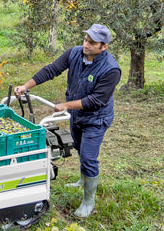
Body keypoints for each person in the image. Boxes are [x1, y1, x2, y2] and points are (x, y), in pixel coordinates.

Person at [13, 24, 121, 219]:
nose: (86, 45)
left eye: (91, 42)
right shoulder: (75, 53)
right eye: (85, 40)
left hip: (96, 119)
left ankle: (89, 201)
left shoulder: (111, 70)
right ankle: (83, 179)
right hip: (78, 116)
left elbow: (97, 100)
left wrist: (66, 105)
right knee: (80, 147)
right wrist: (26, 86)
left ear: (103, 47)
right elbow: (51, 70)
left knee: (88, 157)